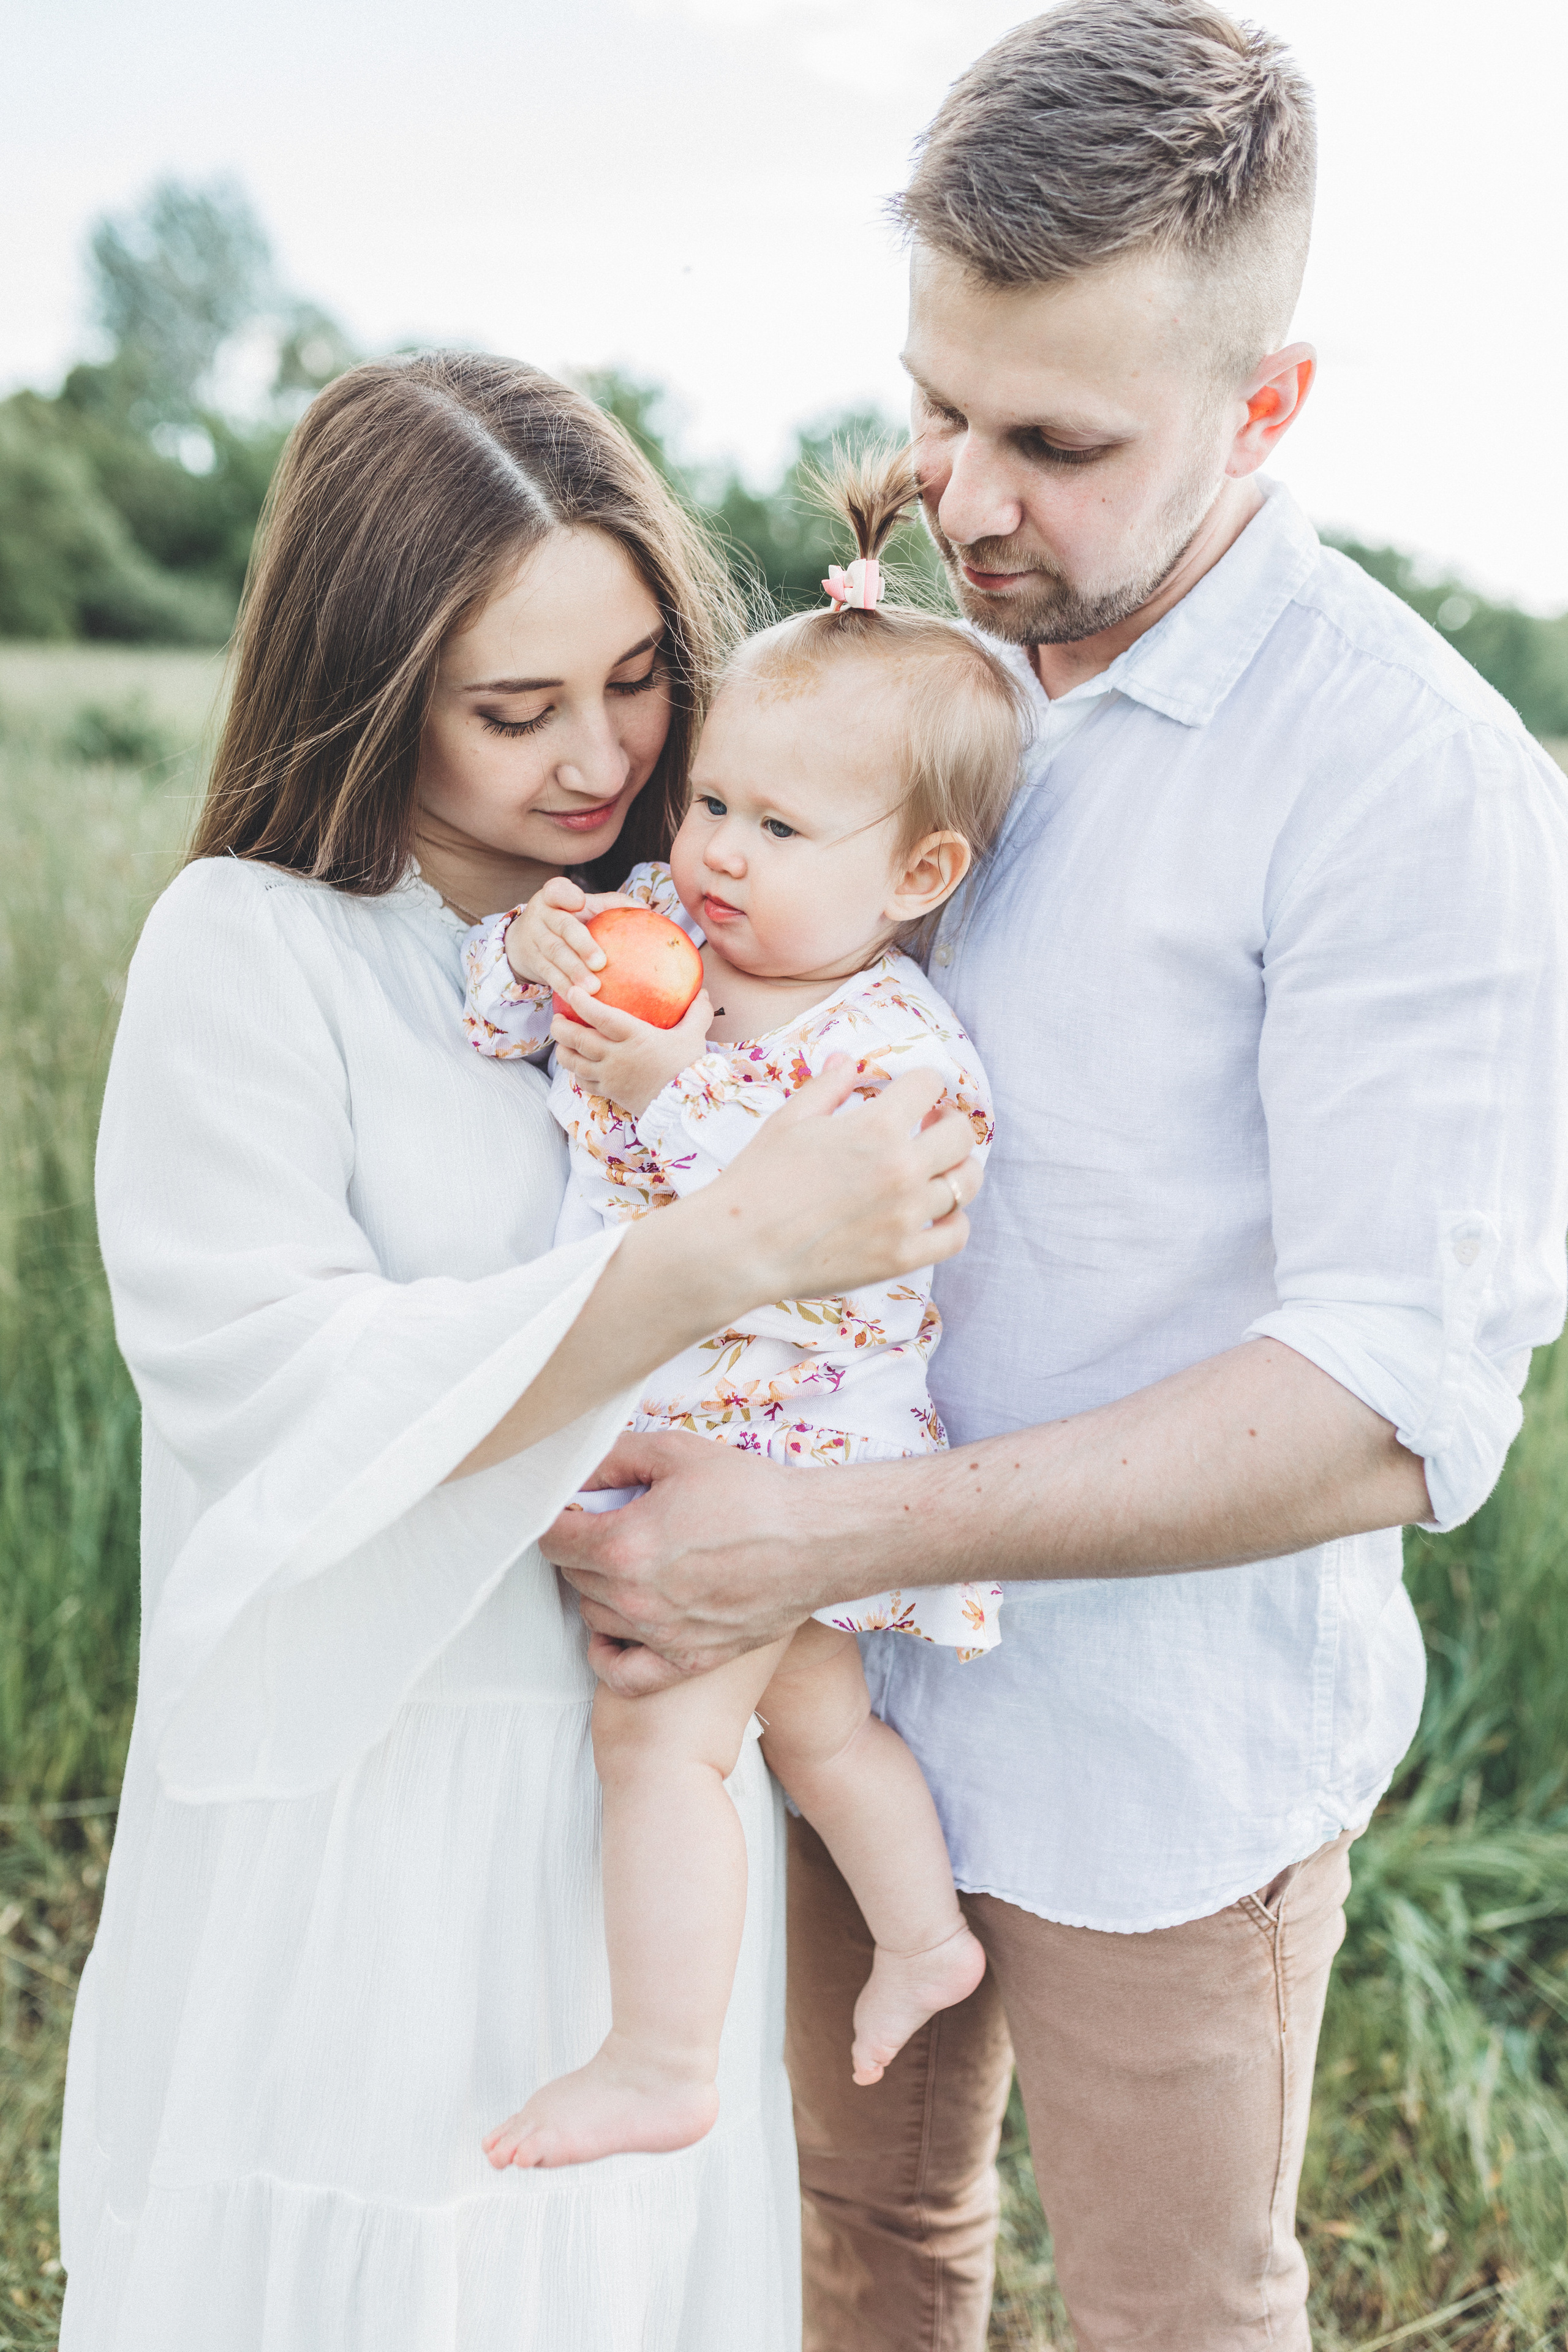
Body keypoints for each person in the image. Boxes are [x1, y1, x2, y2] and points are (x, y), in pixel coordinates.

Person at [543, 7, 1568, 2348]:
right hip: (841, 1700)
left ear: (1268, 407)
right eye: (939, 409)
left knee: (1171, 2317)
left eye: (1061, 441)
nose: (973, 494)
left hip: (1160, 1757)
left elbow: (1397, 1406)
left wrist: (823, 1532)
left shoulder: (1415, 784)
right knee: (867, 2256)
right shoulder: (886, 673)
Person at [58, 355, 986, 2352]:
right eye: (514, 707)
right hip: (363, 1799)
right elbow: (264, 1374)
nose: (599, 755)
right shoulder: (257, 948)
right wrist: (720, 1252)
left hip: (640, 1806)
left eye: (644, 675)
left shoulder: (731, 938)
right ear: (373, 686)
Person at [461, 450, 1028, 2172]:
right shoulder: (668, 940)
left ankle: (658, 2058)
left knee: (661, 1743)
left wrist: (667, 1085)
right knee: (818, 1723)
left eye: (778, 831)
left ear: (917, 874)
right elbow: (501, 1030)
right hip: (718, 1434)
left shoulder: (891, 1044)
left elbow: (838, 1221)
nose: (711, 853)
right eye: (712, 803)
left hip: (780, 1462)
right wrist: (537, 957)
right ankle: (922, 1934)